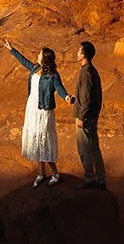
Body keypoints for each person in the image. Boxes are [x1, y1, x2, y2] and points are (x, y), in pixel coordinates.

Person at [4, 37, 73, 185]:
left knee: (44, 140)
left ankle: (55, 173)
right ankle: (41, 173)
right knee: (36, 140)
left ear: (45, 58)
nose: (37, 56)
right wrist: (12, 50)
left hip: (44, 111)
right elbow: (24, 61)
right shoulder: (36, 69)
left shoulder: (53, 75)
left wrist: (66, 97)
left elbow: (59, 88)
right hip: (32, 108)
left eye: (40, 54)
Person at [73, 39, 106, 189]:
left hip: (85, 118)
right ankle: (101, 179)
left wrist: (81, 117)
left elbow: (86, 97)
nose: (77, 53)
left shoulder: (86, 72)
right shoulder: (93, 70)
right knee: (94, 148)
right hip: (92, 116)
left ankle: (90, 179)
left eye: (79, 51)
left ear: (84, 55)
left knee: (84, 149)